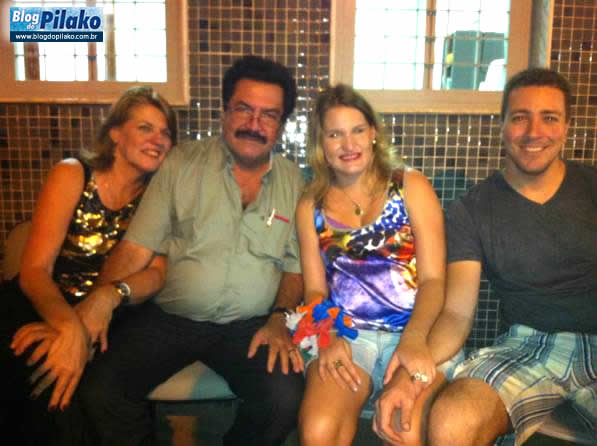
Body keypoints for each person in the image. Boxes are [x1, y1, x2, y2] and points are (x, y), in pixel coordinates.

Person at [78, 55, 305, 446]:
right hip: (170, 318)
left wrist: (279, 317)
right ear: (224, 111)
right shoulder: (181, 164)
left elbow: (295, 268)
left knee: (283, 398)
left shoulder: (296, 183)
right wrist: (97, 304)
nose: (254, 124)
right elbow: (136, 248)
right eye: (243, 109)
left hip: (250, 326)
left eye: (269, 115)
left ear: (281, 125)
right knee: (101, 389)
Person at [408, 67, 595, 446]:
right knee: (452, 420)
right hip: (528, 346)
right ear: (502, 125)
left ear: (566, 127)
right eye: (520, 117)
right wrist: (413, 372)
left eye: (549, 118)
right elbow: (457, 313)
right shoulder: (471, 209)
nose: (534, 132)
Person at [0, 85, 176, 445]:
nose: (157, 139)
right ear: (115, 133)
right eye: (145, 128)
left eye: (165, 132)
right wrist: (70, 329)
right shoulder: (72, 174)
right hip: (41, 300)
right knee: (38, 367)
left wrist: (104, 303)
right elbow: (35, 271)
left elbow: (157, 272)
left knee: (95, 388)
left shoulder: (160, 195)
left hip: (110, 312)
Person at [294, 84, 461, 446]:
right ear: (321, 144)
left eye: (357, 130)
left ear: (373, 133)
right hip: (348, 334)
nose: (348, 144)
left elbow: (434, 280)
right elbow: (314, 289)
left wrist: (414, 340)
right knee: (318, 429)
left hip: (418, 329)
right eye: (334, 134)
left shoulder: (410, 186)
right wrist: (328, 336)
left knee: (405, 429)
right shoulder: (310, 206)